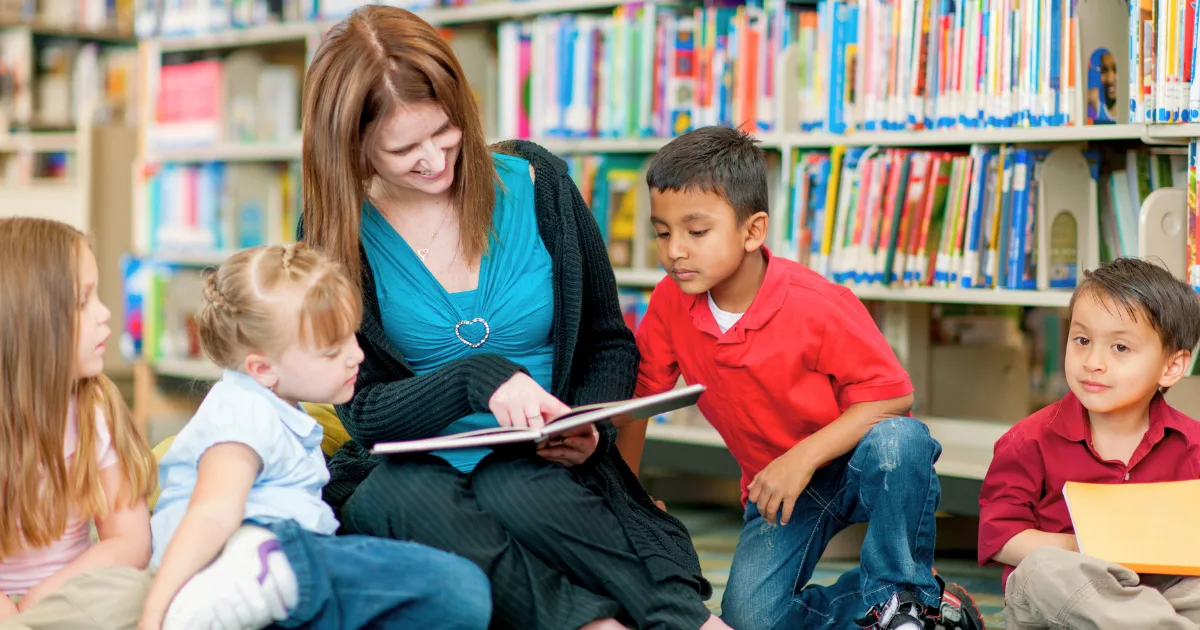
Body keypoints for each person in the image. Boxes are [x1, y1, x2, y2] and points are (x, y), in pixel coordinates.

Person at [298, 6, 722, 630]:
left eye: (444, 132)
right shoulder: (333, 232)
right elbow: (359, 407)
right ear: (352, 146)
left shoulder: (537, 183)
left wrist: (589, 428)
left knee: (513, 485)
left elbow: (609, 342)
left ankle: (686, 621)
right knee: (392, 495)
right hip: (419, 470)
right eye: (402, 149)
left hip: (546, 465)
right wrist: (478, 379)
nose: (435, 162)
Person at [627, 126, 986, 630]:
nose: (675, 251)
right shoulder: (669, 303)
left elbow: (893, 398)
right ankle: (924, 606)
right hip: (778, 491)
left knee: (900, 442)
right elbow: (640, 400)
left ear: (752, 232)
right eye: (663, 233)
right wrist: (626, 499)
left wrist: (801, 458)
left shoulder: (819, 305)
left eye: (696, 231)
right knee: (750, 621)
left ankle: (907, 600)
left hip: (856, 462)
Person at [140, 243, 492, 630]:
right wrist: (156, 611)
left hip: (294, 562)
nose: (356, 356)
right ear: (262, 368)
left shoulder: (274, 404)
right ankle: (251, 573)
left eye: (352, 338)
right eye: (330, 351)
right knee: (461, 590)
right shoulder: (244, 412)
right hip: (271, 548)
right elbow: (212, 512)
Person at [979, 257, 1200, 629]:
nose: (1093, 362)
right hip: (1064, 603)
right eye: (1082, 340)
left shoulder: (1192, 444)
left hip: (1160, 592)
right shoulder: (1028, 439)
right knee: (1042, 569)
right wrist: (1097, 550)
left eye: (1120, 348)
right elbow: (1002, 538)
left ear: (1172, 367)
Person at [0, 217, 157, 628]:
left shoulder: (94, 407)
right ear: (31, 322)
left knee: (137, 593)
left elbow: (131, 541)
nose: (106, 313)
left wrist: (39, 598)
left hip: (67, 595)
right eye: (84, 301)